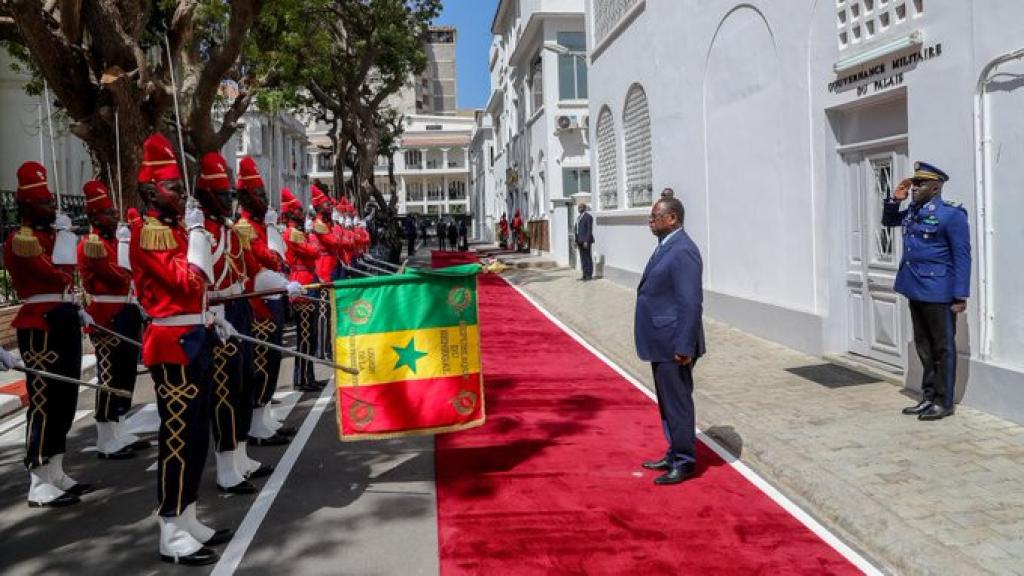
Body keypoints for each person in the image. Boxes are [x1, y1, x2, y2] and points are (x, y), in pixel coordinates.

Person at [132, 134, 231, 564]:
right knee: (177, 438)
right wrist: (195, 232)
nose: (181, 195)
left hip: (194, 336)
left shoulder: (172, 229)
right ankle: (170, 528)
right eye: (173, 187)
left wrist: (211, 318)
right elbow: (189, 281)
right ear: (152, 189)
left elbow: (199, 292)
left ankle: (188, 515)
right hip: (173, 345)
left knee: (196, 436)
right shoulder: (148, 232)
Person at [4, 161, 89, 507]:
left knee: (66, 398)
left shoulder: (52, 237)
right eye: (44, 203)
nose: (52, 208)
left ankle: (56, 468)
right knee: (45, 400)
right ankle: (38, 477)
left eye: (51, 202)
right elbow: (56, 275)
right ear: (25, 206)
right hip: (41, 324)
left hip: (64, 316)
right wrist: (66, 242)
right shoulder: (21, 240)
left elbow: (68, 278)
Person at [884, 162, 971, 421]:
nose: (914, 187)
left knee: (943, 348)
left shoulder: (951, 215)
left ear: (935, 187)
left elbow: (963, 256)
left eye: (920, 184)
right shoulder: (913, 211)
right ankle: (928, 396)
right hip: (915, 288)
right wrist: (893, 199)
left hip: (939, 291)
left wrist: (960, 295)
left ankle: (944, 402)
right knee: (924, 347)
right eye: (914, 182)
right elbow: (889, 221)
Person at [636, 196, 705, 486]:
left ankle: (685, 462)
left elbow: (691, 303)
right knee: (666, 402)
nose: (650, 220)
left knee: (677, 403)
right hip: (660, 340)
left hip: (674, 343)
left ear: (672, 218)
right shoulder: (666, 246)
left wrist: (684, 346)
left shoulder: (683, 251)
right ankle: (674, 451)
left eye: (655, 216)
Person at [77, 179, 148, 459]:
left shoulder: (115, 241)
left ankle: (119, 427)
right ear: (94, 216)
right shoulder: (91, 244)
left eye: (114, 211)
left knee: (126, 372)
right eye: (108, 213)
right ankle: (106, 436)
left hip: (126, 312)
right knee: (109, 375)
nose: (114, 216)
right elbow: (117, 275)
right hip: (106, 317)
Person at [235, 157, 297, 446]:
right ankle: (257, 425)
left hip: (272, 298)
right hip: (258, 305)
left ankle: (264, 419)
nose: (265, 199)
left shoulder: (260, 226)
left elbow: (278, 259)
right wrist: (272, 231)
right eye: (259, 194)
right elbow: (267, 262)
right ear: (246, 197)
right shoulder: (245, 229)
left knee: (271, 365)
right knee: (261, 366)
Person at [282, 189, 325, 392]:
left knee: (310, 335)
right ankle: (301, 379)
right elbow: (313, 252)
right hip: (303, 284)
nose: (302, 212)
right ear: (290, 213)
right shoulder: (293, 233)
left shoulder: (300, 233)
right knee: (306, 335)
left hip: (308, 280)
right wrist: (312, 237)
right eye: (298, 210)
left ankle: (308, 376)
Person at [574, 203, 595, 281]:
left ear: (585, 208)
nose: (579, 209)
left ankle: (589, 275)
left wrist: (586, 240)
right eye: (578, 207)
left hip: (586, 241)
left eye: (581, 207)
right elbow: (576, 230)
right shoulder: (578, 217)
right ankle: (584, 274)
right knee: (582, 258)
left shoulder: (588, 217)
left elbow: (589, 230)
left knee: (587, 257)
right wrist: (576, 240)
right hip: (579, 240)